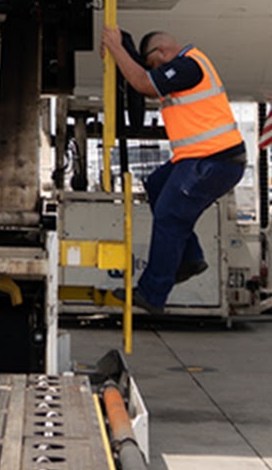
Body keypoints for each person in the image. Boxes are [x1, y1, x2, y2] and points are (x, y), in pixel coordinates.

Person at [101, 27, 247, 314]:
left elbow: (143, 84)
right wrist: (121, 53)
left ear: (162, 52)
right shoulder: (183, 68)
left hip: (213, 160)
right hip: (199, 159)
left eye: (154, 64)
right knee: (157, 184)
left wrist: (116, 48)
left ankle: (152, 293)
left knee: (169, 216)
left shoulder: (187, 66)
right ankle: (189, 258)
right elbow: (143, 79)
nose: (155, 71)